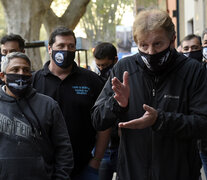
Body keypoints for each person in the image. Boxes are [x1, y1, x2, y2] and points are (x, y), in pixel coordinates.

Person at [91, 9, 207, 180]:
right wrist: (116, 104)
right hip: (132, 173)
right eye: (144, 45)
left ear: (172, 39)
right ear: (136, 42)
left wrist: (159, 120)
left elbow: (203, 123)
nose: (151, 52)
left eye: (158, 44)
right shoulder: (124, 68)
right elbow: (97, 119)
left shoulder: (192, 71)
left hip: (180, 172)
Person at [32, 26, 108, 180]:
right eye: (61, 46)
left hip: (84, 168)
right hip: (42, 169)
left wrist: (96, 160)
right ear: (50, 48)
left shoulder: (92, 80)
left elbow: (104, 122)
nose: (66, 50)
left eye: (71, 46)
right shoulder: (34, 81)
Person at [0, 52, 73, 179]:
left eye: (26, 70)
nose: (21, 73)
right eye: (15, 69)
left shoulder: (49, 105)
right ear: (3, 76)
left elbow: (63, 149)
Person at [93, 42, 119, 180]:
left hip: (122, 145)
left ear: (115, 60)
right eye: (99, 66)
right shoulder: (94, 81)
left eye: (105, 66)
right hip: (103, 147)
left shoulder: (125, 80)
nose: (102, 69)